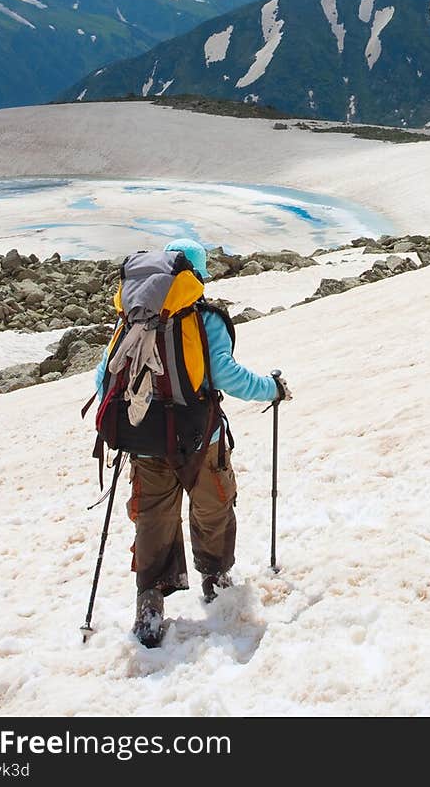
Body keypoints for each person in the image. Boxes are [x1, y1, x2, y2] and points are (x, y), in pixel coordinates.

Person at [94, 236, 291, 647]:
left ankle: (149, 607)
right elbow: (227, 376)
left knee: (152, 518)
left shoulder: (133, 316)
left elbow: (104, 378)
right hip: (201, 438)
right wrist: (272, 388)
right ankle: (215, 582)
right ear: (198, 273)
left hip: (144, 439)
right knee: (213, 507)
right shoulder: (205, 319)